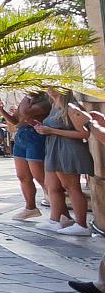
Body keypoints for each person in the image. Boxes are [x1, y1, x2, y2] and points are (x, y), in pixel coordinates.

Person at [39, 87, 93, 235]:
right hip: (54, 148)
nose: (49, 89)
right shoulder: (54, 106)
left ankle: (82, 225)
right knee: (52, 186)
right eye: (48, 86)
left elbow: (84, 133)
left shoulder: (70, 107)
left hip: (67, 149)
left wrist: (52, 131)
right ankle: (55, 220)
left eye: (54, 86)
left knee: (71, 187)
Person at [0, 90, 49, 221]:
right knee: (23, 176)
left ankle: (60, 212)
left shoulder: (45, 100)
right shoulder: (27, 101)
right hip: (21, 136)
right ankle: (30, 208)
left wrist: (27, 97)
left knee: (40, 177)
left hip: (34, 136)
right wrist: (1, 109)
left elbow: (27, 112)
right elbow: (16, 120)